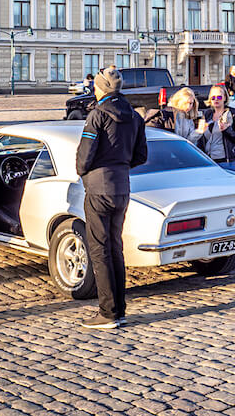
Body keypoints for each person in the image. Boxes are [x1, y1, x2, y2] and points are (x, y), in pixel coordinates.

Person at [76, 67, 147, 330]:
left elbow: (84, 156)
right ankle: (120, 310)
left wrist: (85, 171)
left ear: (101, 89)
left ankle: (107, 312)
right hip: (122, 186)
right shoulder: (135, 116)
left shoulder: (98, 114)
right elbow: (141, 156)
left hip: (98, 186)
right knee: (115, 248)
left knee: (99, 249)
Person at [200, 85, 235, 168]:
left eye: (219, 97)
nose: (216, 99)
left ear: (225, 98)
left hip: (226, 162)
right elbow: (202, 139)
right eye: (213, 97)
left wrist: (227, 130)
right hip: (208, 161)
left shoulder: (234, 113)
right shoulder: (207, 114)